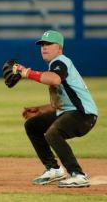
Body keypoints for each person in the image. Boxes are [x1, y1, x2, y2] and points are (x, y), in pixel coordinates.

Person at [13, 30, 98, 188]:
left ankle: (78, 174)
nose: (44, 47)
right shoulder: (55, 65)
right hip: (71, 112)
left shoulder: (61, 61)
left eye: (49, 44)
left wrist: (26, 72)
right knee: (33, 125)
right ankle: (53, 169)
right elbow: (61, 103)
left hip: (84, 115)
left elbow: (54, 79)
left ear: (59, 48)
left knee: (53, 133)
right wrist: (39, 110)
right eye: (42, 45)